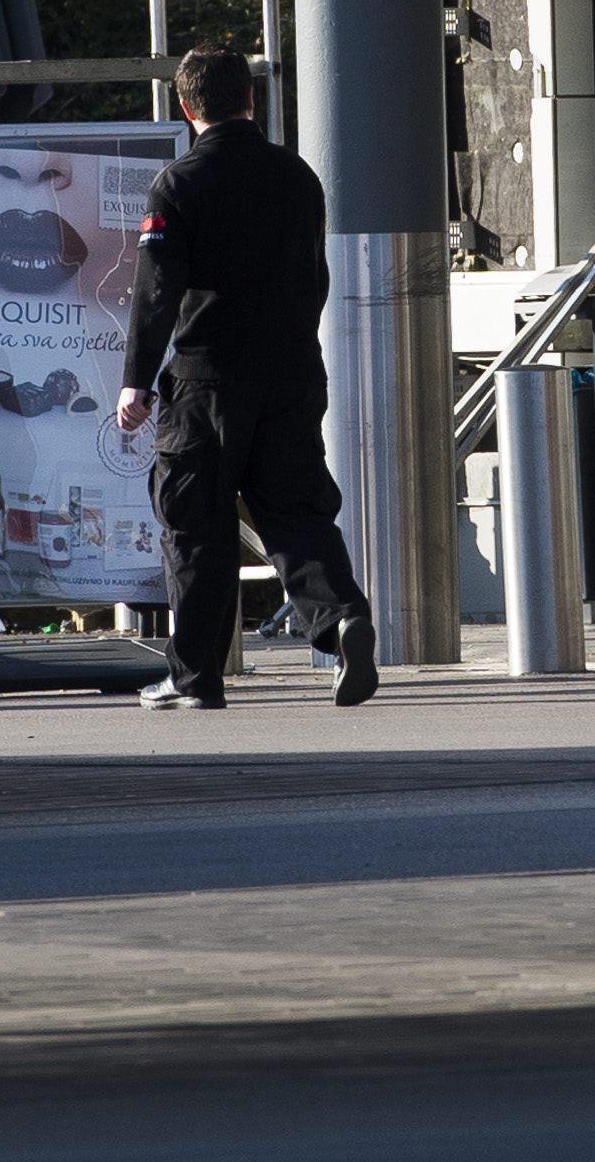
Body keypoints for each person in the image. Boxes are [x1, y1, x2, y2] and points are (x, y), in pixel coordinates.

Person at [116, 44, 377, 710]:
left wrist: (137, 380)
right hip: (292, 372)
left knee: (195, 524)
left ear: (185, 106)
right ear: (250, 100)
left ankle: (195, 677)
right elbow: (312, 278)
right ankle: (341, 615)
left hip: (208, 380)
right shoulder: (298, 177)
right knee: (294, 510)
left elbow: (156, 293)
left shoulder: (177, 184)